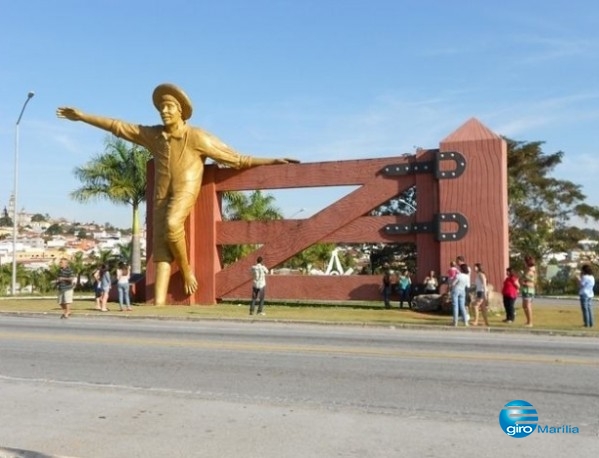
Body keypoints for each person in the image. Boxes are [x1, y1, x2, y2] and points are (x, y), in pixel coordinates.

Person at [57, 83, 299, 306]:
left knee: (174, 224)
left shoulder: (197, 137)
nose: (164, 110)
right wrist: (82, 117)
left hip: (184, 192)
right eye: (161, 107)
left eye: (170, 106)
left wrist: (272, 160)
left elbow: (236, 159)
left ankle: (186, 269)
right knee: (160, 252)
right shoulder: (154, 136)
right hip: (161, 196)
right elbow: (119, 127)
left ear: (181, 111)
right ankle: (159, 304)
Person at [521, 255, 536, 327]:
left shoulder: (531, 271)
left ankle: (530, 322)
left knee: (528, 305)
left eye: (524, 261)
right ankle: (527, 321)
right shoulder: (527, 270)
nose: (523, 263)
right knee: (524, 306)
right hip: (525, 289)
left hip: (529, 290)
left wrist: (524, 282)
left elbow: (532, 282)